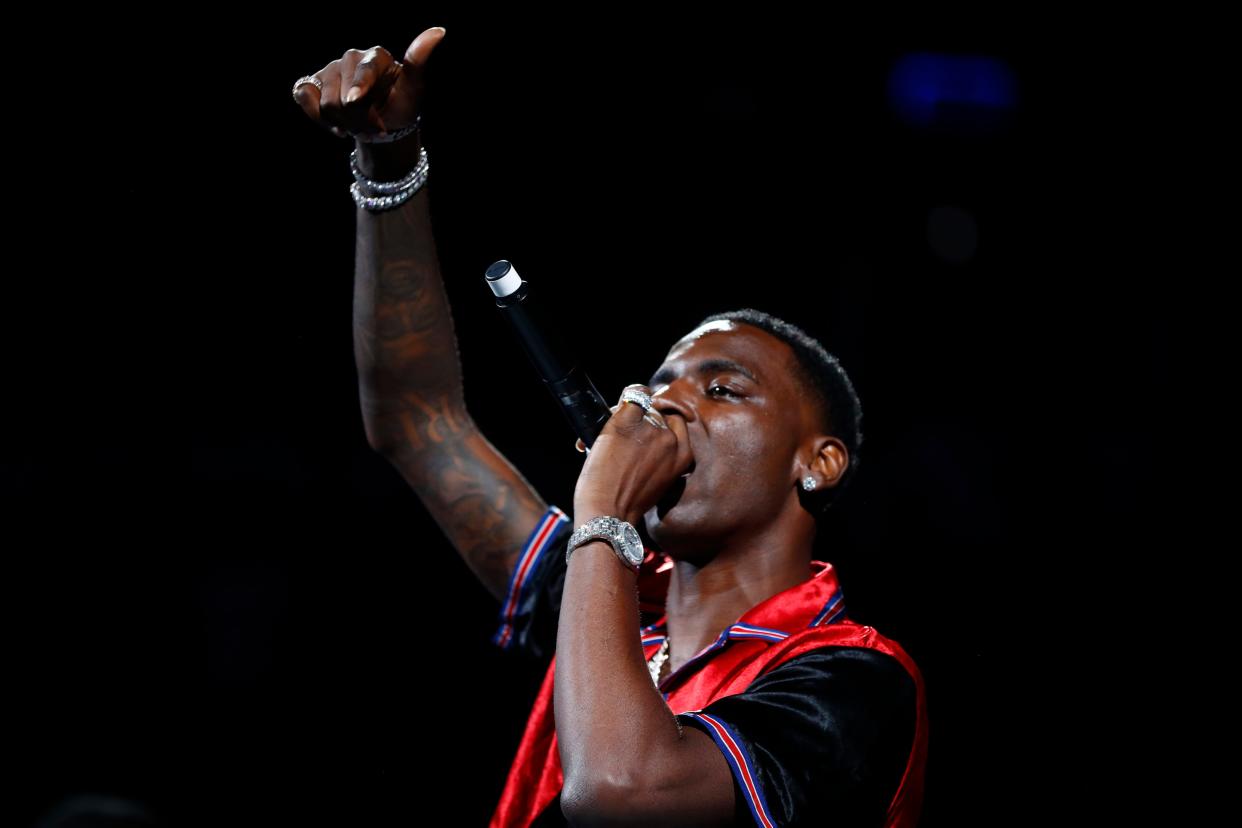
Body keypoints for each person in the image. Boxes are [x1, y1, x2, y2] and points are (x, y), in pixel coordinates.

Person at [292, 27, 928, 827]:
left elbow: (621, 794)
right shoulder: (612, 597)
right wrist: (388, 161)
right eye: (658, 383)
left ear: (820, 462)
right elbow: (416, 423)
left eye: (722, 390)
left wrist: (603, 515)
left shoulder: (852, 678)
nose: (665, 404)